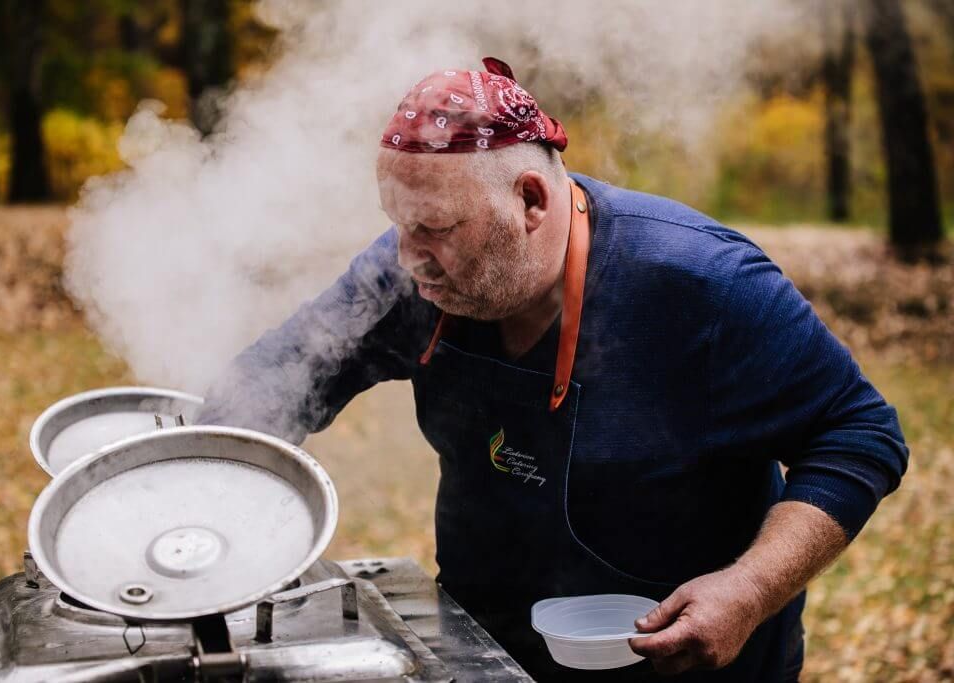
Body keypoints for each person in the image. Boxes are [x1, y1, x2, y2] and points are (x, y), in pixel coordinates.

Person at [198, 58, 908, 681]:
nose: (408, 258)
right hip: (486, 652)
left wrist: (749, 590)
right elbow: (284, 375)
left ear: (531, 200)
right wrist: (173, 493)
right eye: (397, 222)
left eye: (436, 229)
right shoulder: (410, 275)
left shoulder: (701, 285)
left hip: (686, 662)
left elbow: (860, 431)